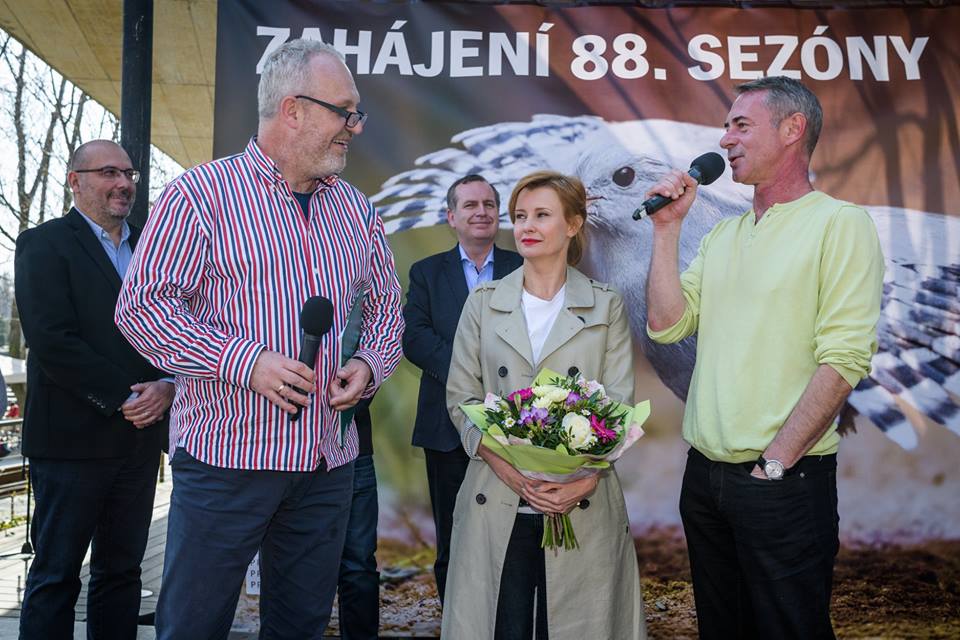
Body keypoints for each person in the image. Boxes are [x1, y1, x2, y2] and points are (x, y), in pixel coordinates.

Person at [114, 39, 404, 639]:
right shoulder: (199, 195)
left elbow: (386, 310)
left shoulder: (357, 210)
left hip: (327, 464)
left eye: (356, 113)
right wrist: (245, 362)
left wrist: (369, 365)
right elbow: (141, 307)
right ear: (293, 109)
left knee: (298, 627)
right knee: (193, 626)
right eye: (344, 111)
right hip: (227, 464)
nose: (354, 127)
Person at [645, 76, 884, 639]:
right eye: (726, 126)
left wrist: (774, 465)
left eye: (740, 125)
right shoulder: (723, 236)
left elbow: (845, 359)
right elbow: (665, 324)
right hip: (705, 479)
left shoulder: (839, 224)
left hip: (784, 479)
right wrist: (665, 231)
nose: (725, 138)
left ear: (793, 129)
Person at [444, 171, 646, 639]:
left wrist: (584, 478)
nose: (526, 226)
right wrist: (512, 471)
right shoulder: (483, 301)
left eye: (541, 215)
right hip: (497, 493)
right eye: (519, 216)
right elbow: (461, 398)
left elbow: (618, 406)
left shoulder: (605, 305)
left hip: (581, 499)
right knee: (501, 624)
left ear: (573, 224)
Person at [15, 139, 174, 639]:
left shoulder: (154, 245)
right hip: (71, 443)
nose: (123, 183)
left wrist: (168, 385)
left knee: (122, 572)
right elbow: (53, 341)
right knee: (57, 575)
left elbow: (179, 326)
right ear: (75, 180)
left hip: (139, 441)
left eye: (128, 173)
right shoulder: (43, 244)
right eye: (108, 172)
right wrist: (128, 396)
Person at [402, 174, 522, 603]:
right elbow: (414, 336)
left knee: (513, 531)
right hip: (445, 427)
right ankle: (457, 620)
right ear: (452, 217)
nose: (482, 211)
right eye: (470, 205)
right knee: (454, 533)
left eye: (489, 204)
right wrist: (467, 374)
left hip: (517, 425)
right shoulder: (427, 273)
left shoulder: (523, 268)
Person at [336, 397, 379, 640]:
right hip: (287, 454)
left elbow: (374, 362)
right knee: (290, 564)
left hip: (355, 449)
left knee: (359, 565)